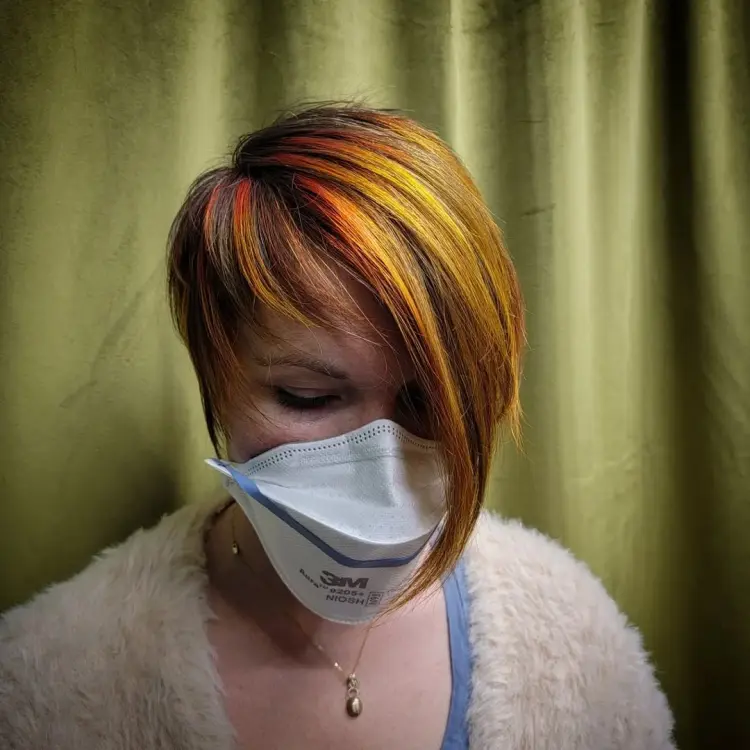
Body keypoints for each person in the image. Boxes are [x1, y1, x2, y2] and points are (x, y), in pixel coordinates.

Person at [0, 104, 675, 750]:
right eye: (308, 395)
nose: (378, 469)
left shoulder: (572, 645)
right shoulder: (55, 678)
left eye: (426, 404)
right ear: (216, 373)